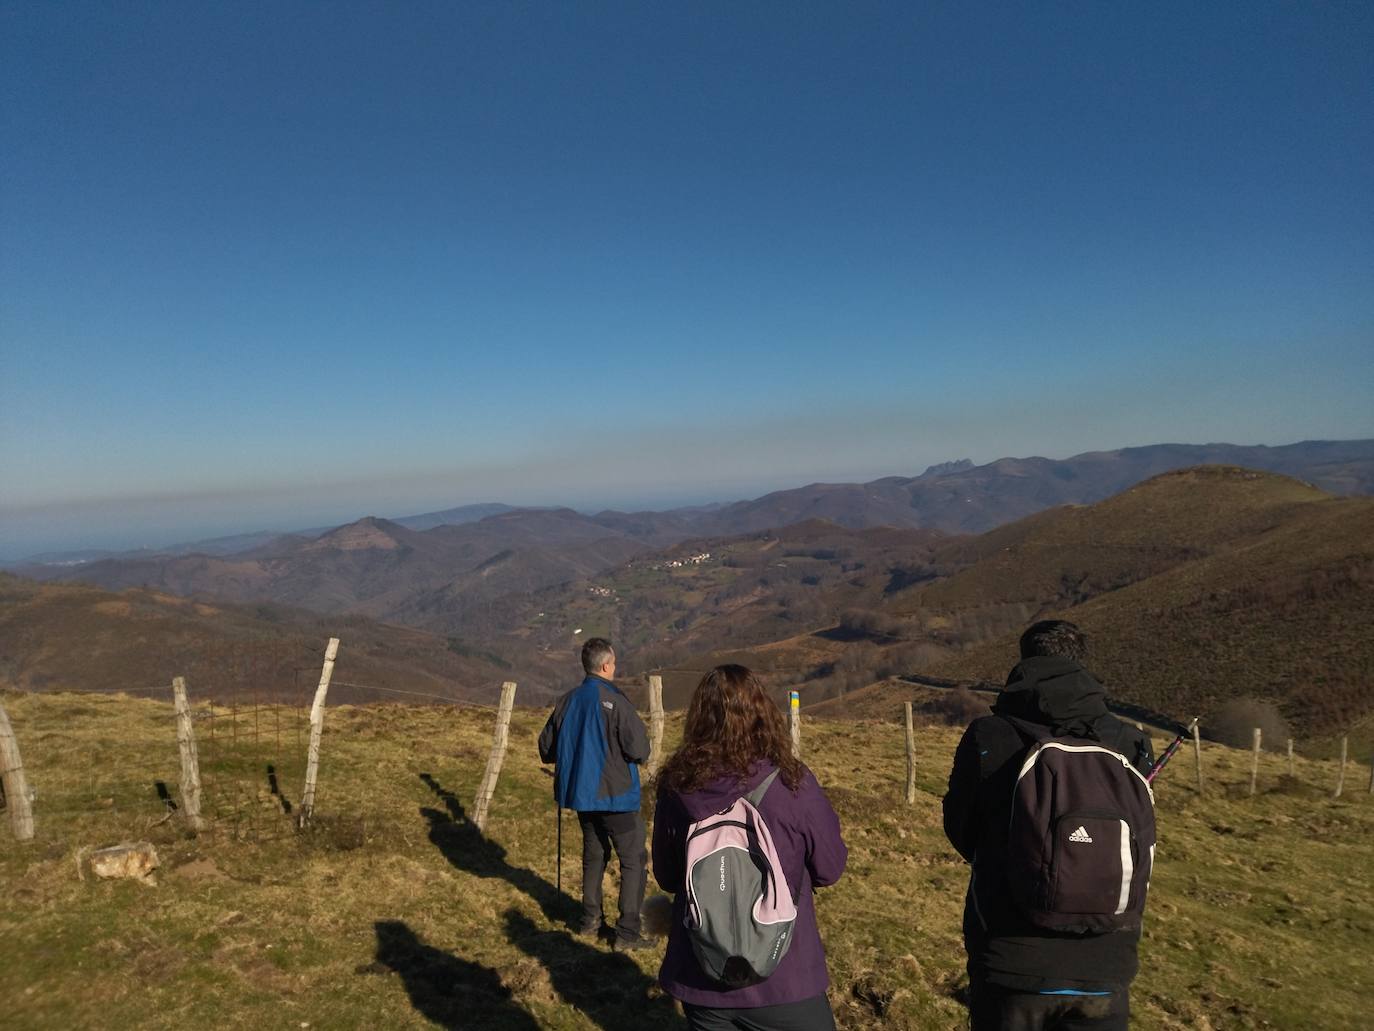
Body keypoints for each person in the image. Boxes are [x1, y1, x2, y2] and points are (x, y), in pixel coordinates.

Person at [943, 620, 1155, 1031]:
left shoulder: (990, 735)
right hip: (1106, 960)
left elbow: (961, 829)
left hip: (1010, 956)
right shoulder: (1129, 741)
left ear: (1024, 660)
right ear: (1081, 661)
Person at [652, 664, 847, 1031]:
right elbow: (830, 868)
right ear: (764, 716)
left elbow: (666, 874)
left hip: (702, 973)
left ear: (698, 719)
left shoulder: (677, 785)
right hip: (787, 975)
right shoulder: (793, 783)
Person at [538, 637, 651, 951]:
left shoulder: (567, 701)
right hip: (617, 796)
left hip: (582, 797)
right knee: (633, 861)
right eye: (614, 662)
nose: (615, 667)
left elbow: (546, 749)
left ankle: (590, 921)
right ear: (605, 665)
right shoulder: (616, 701)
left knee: (594, 857)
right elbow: (639, 749)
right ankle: (627, 933)